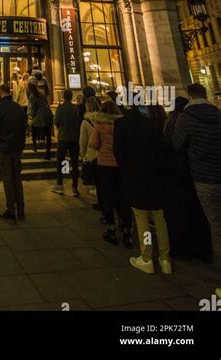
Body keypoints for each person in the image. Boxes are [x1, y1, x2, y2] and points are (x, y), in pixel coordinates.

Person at [114, 102, 172, 274]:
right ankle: (165, 259)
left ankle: (147, 257)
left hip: (134, 175)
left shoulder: (122, 123)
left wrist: (124, 170)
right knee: (159, 217)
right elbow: (164, 148)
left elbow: (118, 152)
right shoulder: (154, 124)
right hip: (155, 175)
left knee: (141, 217)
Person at [173, 83, 221, 280]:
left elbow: (177, 144)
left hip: (203, 176)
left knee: (215, 224)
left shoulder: (187, 117)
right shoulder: (218, 114)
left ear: (190, 95)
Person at [164, 96, 212, 261]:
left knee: (182, 211)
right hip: (202, 173)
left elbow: (174, 145)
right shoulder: (215, 117)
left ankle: (183, 247)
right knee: (202, 214)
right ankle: (204, 249)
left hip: (180, 173)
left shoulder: (175, 123)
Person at [89, 100, 129, 246]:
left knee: (106, 195)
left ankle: (110, 227)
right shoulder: (122, 124)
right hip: (120, 164)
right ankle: (127, 229)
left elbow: (93, 144)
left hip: (105, 164)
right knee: (121, 196)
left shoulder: (99, 124)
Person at [0, 83, 27, 221]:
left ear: (0, 93)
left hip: (3, 149)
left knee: (7, 179)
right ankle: (21, 209)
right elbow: (24, 130)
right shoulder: (18, 108)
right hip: (16, 149)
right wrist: (21, 146)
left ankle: (11, 210)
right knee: (17, 178)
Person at [52, 89, 81, 197]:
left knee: (60, 161)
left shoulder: (61, 107)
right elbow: (78, 122)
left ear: (64, 97)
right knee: (74, 163)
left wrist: (61, 129)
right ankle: (74, 188)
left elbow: (56, 122)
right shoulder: (75, 108)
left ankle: (60, 185)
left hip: (63, 138)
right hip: (74, 139)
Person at [79, 95, 101, 205]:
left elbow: (83, 141)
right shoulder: (105, 120)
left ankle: (102, 203)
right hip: (103, 154)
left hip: (92, 154)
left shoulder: (86, 122)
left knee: (97, 179)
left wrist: (83, 156)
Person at [28, 78, 53, 160]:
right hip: (47, 114)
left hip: (39, 115)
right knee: (48, 134)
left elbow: (33, 109)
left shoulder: (32, 96)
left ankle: (35, 146)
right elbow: (47, 102)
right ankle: (48, 152)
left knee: (34, 129)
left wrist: (32, 116)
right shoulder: (41, 92)